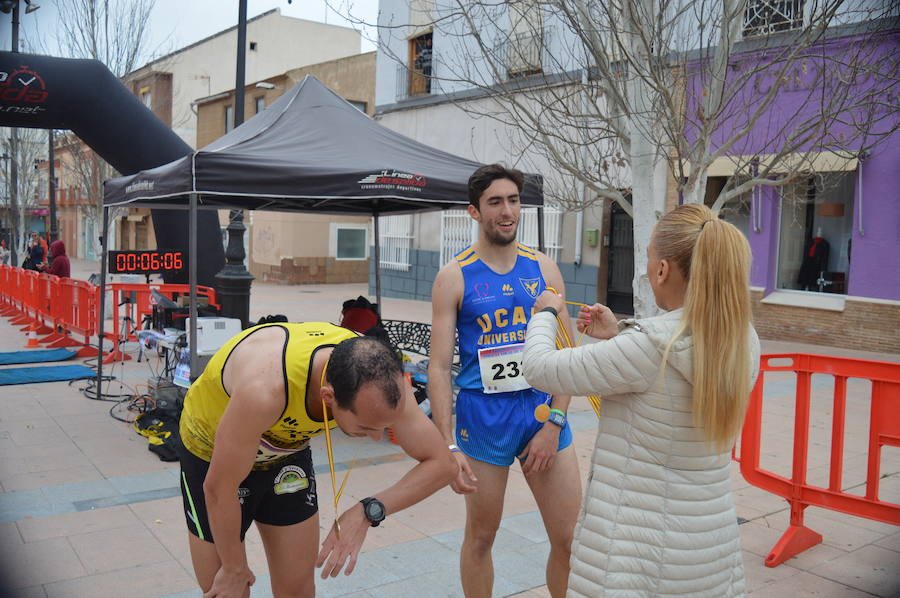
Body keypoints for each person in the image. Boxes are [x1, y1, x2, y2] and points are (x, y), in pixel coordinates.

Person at [522, 203, 760, 597]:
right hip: (708, 546)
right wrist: (620, 334)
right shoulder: (742, 339)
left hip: (638, 552)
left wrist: (546, 314)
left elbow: (540, 366)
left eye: (649, 259)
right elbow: (664, 379)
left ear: (664, 269)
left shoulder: (650, 348)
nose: (647, 271)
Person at [177, 322, 457, 598]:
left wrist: (368, 510)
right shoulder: (265, 389)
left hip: (285, 449)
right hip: (211, 453)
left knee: (297, 590)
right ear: (328, 396)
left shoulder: (381, 378)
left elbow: (443, 465)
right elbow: (219, 488)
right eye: (366, 428)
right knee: (227, 589)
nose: (376, 438)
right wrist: (234, 567)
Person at [428, 164, 581, 598]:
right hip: (483, 417)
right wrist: (448, 445)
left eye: (513, 200)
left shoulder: (544, 269)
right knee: (481, 538)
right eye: (495, 201)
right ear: (474, 211)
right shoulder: (453, 276)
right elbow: (439, 368)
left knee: (569, 539)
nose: (507, 210)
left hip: (540, 409)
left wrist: (554, 422)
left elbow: (566, 352)